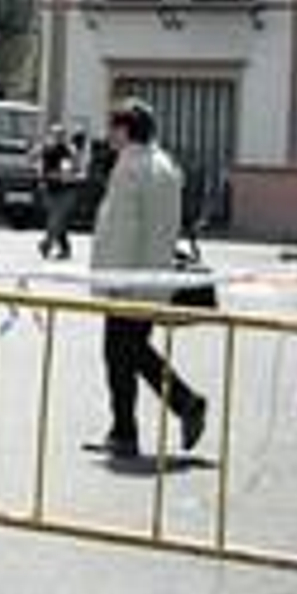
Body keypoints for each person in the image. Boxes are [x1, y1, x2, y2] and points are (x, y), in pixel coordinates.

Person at [90, 97, 207, 460]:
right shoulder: (164, 165)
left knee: (120, 355)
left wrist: (112, 279)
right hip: (154, 276)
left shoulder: (130, 168)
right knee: (132, 353)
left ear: (124, 130)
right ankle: (125, 428)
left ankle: (178, 407)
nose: (108, 135)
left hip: (128, 279)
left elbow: (123, 229)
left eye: (112, 127)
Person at [38, 123, 79, 259]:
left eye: (60, 135)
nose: (57, 138)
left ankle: (47, 244)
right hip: (50, 189)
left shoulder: (68, 150)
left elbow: (68, 170)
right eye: (54, 135)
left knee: (56, 218)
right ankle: (65, 249)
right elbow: (37, 163)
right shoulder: (47, 149)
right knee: (58, 221)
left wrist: (60, 175)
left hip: (66, 190)